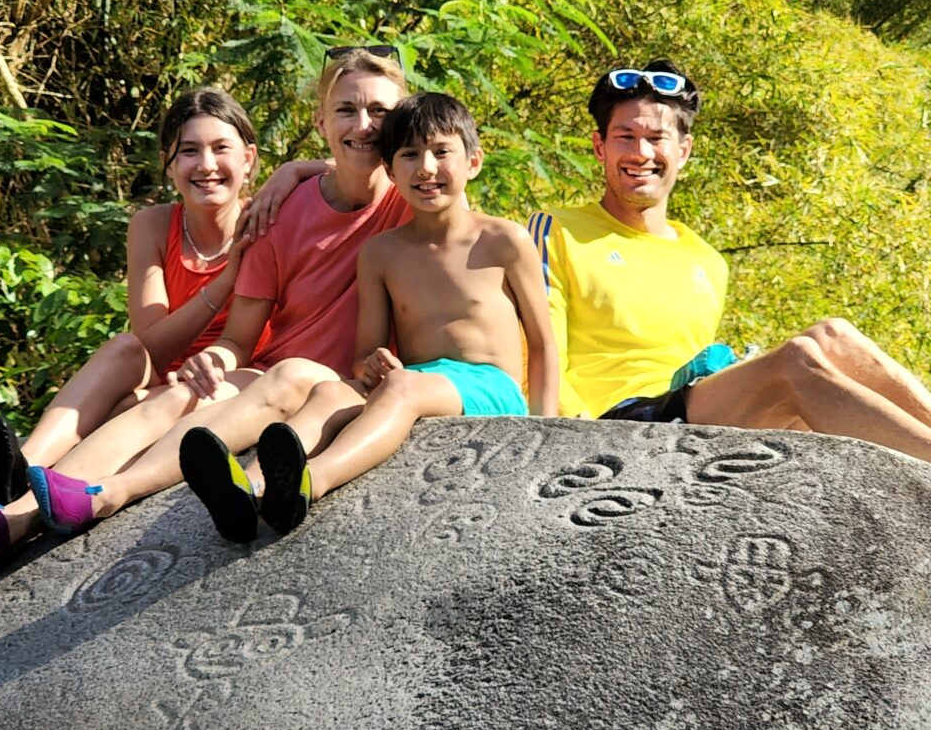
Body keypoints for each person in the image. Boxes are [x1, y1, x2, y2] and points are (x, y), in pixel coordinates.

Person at [0, 46, 415, 580]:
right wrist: (217, 358)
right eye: (347, 110)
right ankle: (12, 517)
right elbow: (238, 338)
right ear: (322, 120)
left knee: (269, 377)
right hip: (266, 370)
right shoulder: (277, 213)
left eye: (382, 113)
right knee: (183, 393)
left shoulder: (414, 198)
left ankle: (75, 494)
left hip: (338, 379)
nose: (365, 126)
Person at [181, 91, 559, 538]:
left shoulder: (504, 240)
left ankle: (312, 480)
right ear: (390, 170)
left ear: (473, 161)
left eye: (442, 152)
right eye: (410, 155)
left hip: (489, 388)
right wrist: (372, 363)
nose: (427, 168)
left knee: (402, 387)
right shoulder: (381, 253)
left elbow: (543, 341)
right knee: (330, 393)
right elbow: (365, 355)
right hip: (417, 377)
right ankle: (250, 486)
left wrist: (545, 429)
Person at [528, 60, 931, 463]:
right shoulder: (557, 229)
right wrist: (566, 434)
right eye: (625, 137)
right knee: (797, 362)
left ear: (683, 151)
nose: (641, 153)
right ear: (600, 146)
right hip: (615, 422)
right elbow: (537, 346)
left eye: (657, 137)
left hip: (694, 413)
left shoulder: (705, 259)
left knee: (833, 336)